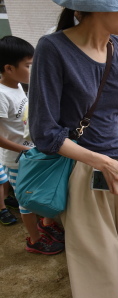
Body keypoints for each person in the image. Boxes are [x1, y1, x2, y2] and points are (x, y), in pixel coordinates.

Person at [28, 1, 118, 298]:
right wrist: (101, 161)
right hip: (81, 168)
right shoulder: (53, 50)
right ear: (95, 6)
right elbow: (45, 132)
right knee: (97, 246)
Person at [0, 35, 65, 253]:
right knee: (26, 200)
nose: (34, 69)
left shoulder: (19, 86)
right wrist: (25, 150)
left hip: (33, 153)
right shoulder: (1, 94)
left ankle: (46, 223)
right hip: (18, 159)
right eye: (29, 65)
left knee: (43, 190)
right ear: (9, 68)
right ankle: (35, 240)